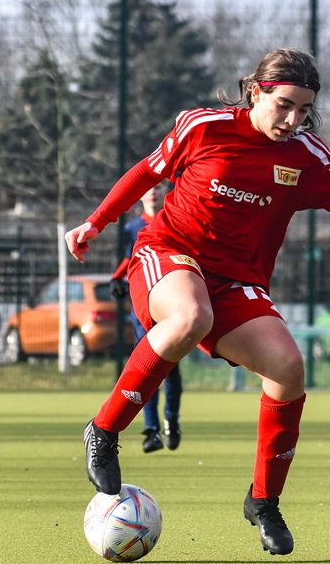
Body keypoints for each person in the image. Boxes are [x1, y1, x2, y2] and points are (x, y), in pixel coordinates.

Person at [67, 47, 330, 556]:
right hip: (168, 255)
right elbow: (147, 172)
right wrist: (95, 222)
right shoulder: (203, 127)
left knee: (289, 368)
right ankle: (103, 430)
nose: (294, 119)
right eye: (284, 105)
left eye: (304, 111)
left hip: (236, 282)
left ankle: (264, 500)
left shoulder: (306, 155)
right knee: (189, 315)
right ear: (257, 92)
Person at [110, 182, 185, 454]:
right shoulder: (132, 228)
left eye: (157, 189)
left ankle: (171, 421)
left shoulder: (175, 220)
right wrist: (117, 279)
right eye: (148, 189)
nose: (152, 193)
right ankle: (151, 430)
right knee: (150, 369)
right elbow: (130, 259)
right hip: (143, 310)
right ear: (142, 195)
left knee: (170, 370)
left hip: (171, 305)